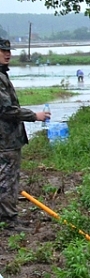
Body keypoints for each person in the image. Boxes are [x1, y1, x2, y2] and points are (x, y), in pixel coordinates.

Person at [0, 39, 51, 231]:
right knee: (7, 179)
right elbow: (6, 109)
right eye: (3, 51)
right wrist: (34, 116)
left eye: (8, 51)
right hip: (5, 141)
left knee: (9, 178)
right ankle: (8, 221)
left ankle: (9, 217)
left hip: (9, 139)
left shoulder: (3, 75)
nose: (8, 54)